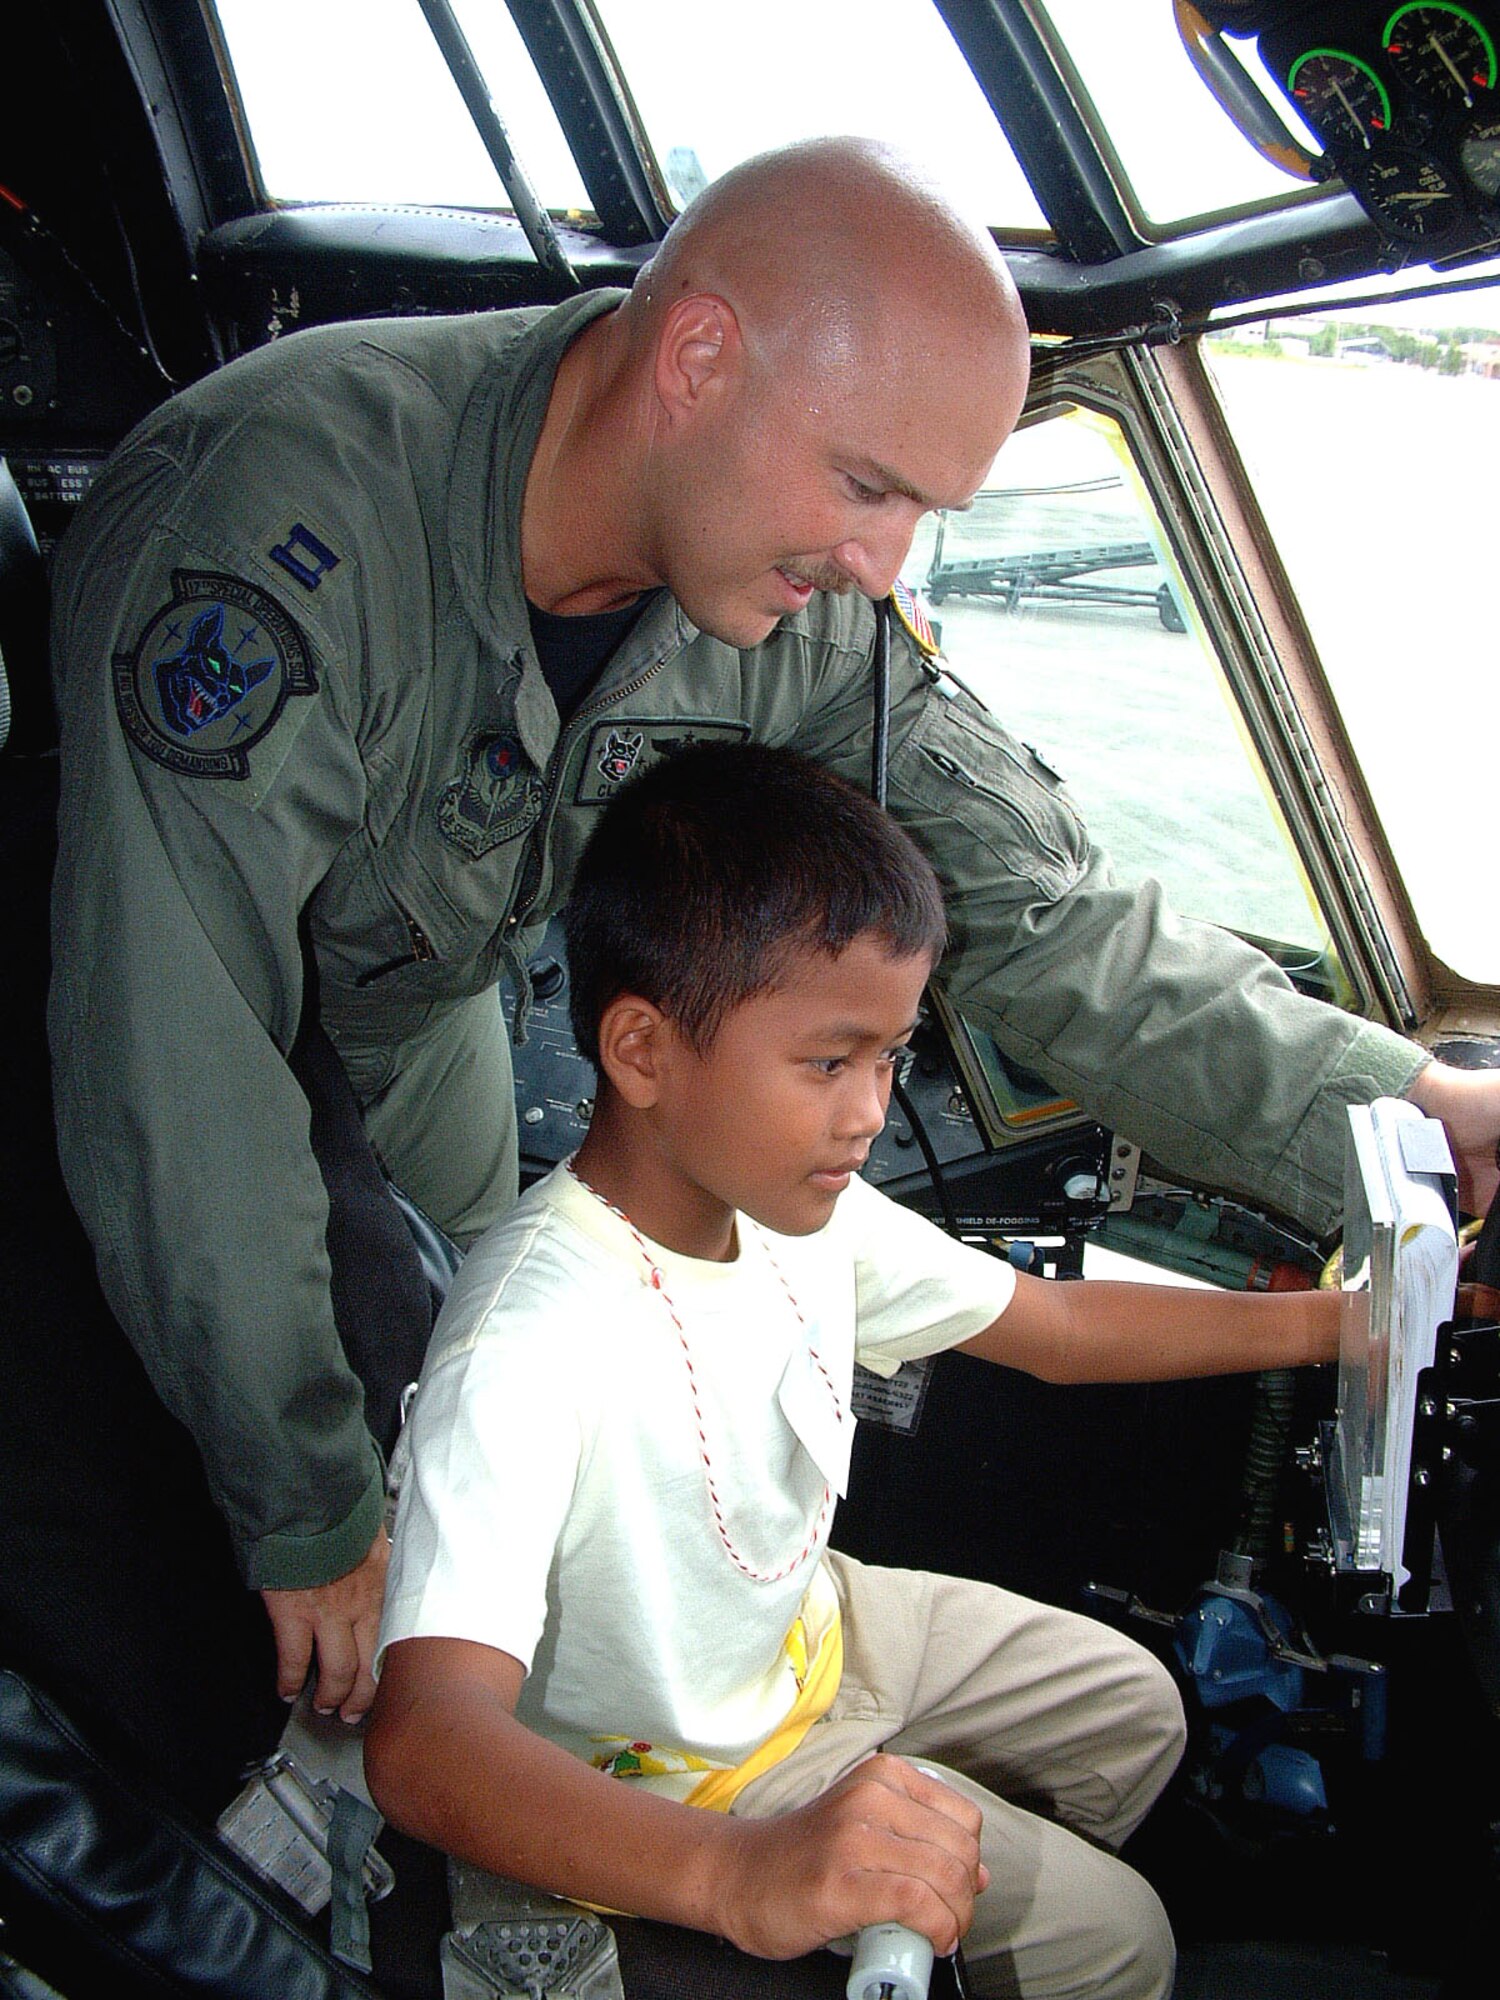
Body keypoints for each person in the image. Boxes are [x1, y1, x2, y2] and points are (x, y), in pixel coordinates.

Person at [45, 134, 1500, 1732]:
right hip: (188, 1013)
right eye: (864, 486)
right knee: (291, 1519)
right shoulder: (274, 533)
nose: (879, 568)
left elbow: (1045, 918)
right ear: (699, 357)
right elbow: (178, 1055)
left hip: (423, 1014)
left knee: (459, 1441)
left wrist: (1397, 1110)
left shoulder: (799, 617)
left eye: (922, 513)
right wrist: (305, 1508)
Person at [365, 741, 1343, 2000]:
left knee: (1137, 1713)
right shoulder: (527, 1342)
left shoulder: (792, 1205)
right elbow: (428, 1746)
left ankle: (947, 1904)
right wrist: (740, 1873)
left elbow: (1055, 1329)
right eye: (831, 1061)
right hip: (677, 1770)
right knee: (1122, 1941)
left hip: (812, 1629)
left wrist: (1341, 1326)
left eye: (890, 1054)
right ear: (643, 1050)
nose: (873, 1109)